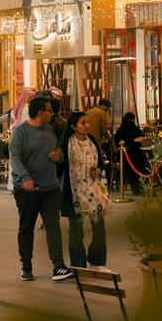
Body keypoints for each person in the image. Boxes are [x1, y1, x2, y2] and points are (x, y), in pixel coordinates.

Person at [9, 96, 74, 282]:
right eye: (49, 110)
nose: (52, 113)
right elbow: (15, 158)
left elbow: (58, 149)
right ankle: (26, 267)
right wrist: (25, 178)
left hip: (50, 187)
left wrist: (59, 155)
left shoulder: (49, 129)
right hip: (28, 190)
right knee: (26, 227)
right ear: (40, 113)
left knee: (53, 226)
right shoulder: (20, 132)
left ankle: (58, 266)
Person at [60, 112, 110, 269]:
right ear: (73, 126)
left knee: (99, 228)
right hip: (73, 191)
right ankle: (78, 264)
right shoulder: (66, 143)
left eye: (88, 122)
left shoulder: (92, 140)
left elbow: (100, 163)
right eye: (83, 123)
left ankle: (97, 260)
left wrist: (98, 170)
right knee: (76, 230)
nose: (87, 125)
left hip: (93, 189)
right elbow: (60, 166)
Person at [113, 111, 149, 186]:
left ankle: (141, 184)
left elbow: (141, 138)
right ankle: (138, 184)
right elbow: (119, 143)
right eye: (130, 120)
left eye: (132, 120)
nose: (131, 122)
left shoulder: (131, 128)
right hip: (126, 154)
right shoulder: (122, 130)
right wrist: (134, 140)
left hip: (136, 153)